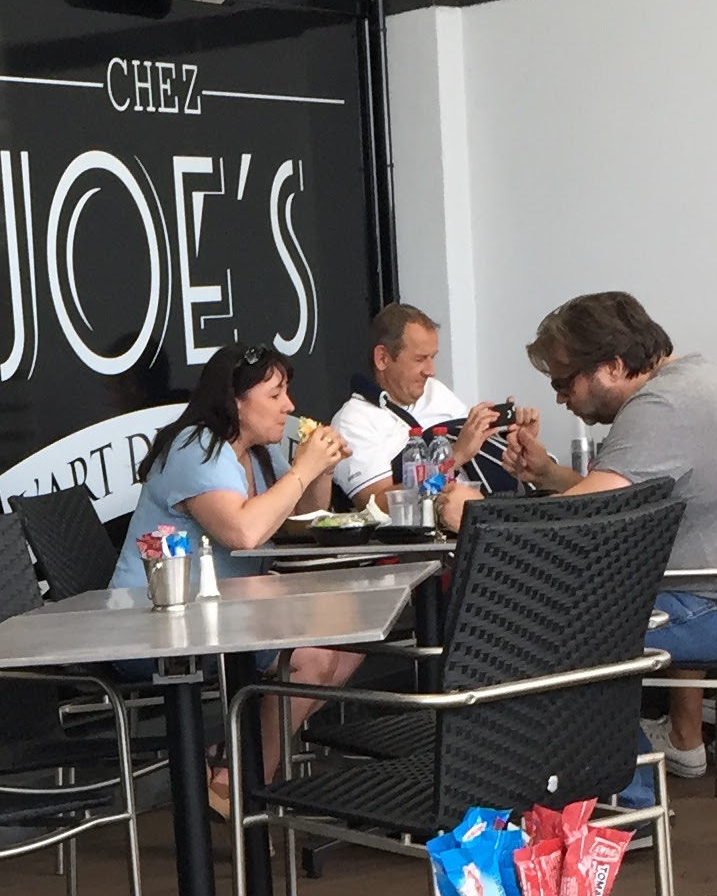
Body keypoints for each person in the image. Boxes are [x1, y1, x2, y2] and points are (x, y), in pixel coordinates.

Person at [492, 290, 717, 782]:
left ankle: (623, 794)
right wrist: (549, 475)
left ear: (612, 366)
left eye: (563, 382)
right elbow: (621, 502)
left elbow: (582, 519)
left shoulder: (662, 405)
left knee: (552, 627)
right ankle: (619, 782)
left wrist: (472, 514)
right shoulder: (692, 381)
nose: (560, 398)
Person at [110, 342, 357, 790]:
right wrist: (303, 470)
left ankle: (232, 758)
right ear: (236, 401)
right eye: (275, 395)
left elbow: (299, 521)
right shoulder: (195, 447)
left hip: (229, 619)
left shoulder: (257, 451)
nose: (289, 406)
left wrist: (321, 470)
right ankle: (238, 784)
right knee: (313, 660)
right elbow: (243, 532)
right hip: (158, 625)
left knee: (352, 641)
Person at [333, 302, 505, 507]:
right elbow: (376, 506)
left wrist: (512, 436)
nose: (431, 371)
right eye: (420, 359)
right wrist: (455, 458)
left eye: (433, 357)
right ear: (383, 358)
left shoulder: (436, 391)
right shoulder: (354, 420)